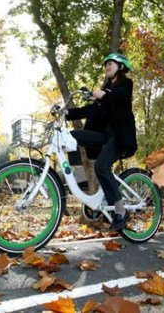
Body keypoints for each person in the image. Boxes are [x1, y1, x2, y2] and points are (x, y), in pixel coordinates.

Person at [63, 53, 137, 231]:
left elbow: (117, 96)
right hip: (103, 137)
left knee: (101, 167)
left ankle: (120, 211)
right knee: (70, 136)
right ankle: (80, 179)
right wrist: (66, 112)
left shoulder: (125, 85)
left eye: (110, 64)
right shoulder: (104, 92)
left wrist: (102, 94)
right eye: (106, 65)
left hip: (119, 138)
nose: (107, 67)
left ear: (120, 66)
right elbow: (89, 110)